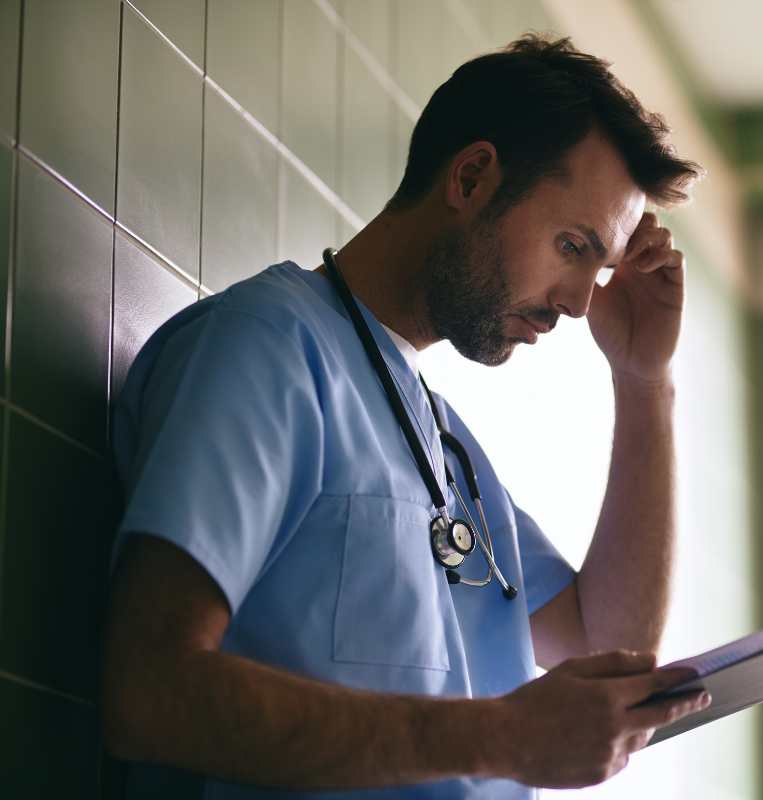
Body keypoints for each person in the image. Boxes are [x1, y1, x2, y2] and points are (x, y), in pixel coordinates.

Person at [101, 35, 708, 799]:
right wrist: (502, 738)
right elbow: (149, 691)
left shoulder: (446, 445)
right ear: (473, 176)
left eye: (599, 266)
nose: (579, 303)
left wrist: (644, 379)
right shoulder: (266, 349)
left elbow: (609, 645)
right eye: (571, 245)